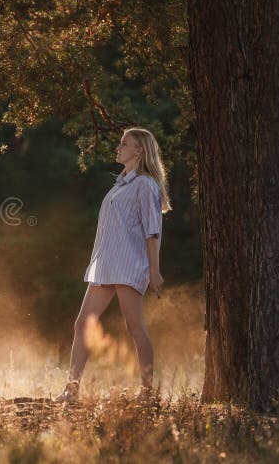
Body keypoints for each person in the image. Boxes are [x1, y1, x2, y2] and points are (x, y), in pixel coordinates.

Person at [55, 127, 172, 403]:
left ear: (139, 150)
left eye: (124, 144)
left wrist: (154, 270)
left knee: (135, 327)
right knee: (83, 323)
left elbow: (152, 231)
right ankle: (72, 389)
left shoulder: (145, 185)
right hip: (106, 265)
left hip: (129, 264)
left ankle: (147, 392)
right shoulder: (120, 184)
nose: (118, 148)